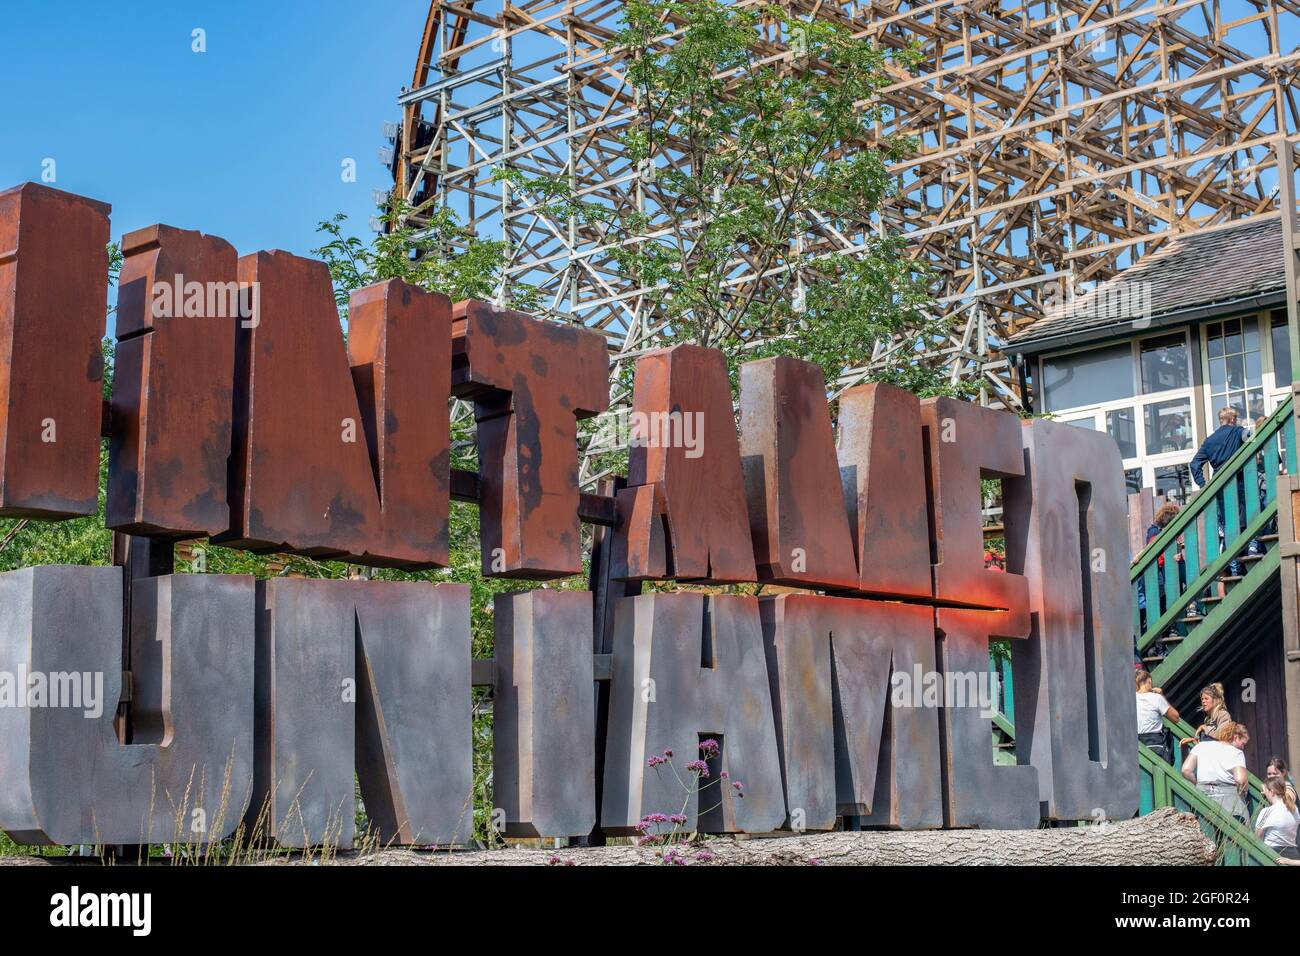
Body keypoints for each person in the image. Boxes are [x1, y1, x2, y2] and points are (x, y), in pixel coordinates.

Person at [1181, 722, 1250, 821]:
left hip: (1203, 795)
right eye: (1243, 743)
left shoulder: (1201, 746)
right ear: (1236, 737)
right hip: (1228, 798)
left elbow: (1186, 770)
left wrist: (1198, 784)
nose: (1243, 747)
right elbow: (1240, 780)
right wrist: (1245, 791)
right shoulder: (1236, 753)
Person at [1190, 407, 1248, 488]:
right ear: (1232, 419)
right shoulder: (1238, 431)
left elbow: (1194, 464)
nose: (1236, 421)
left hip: (1218, 486)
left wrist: (1202, 485)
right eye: (1236, 419)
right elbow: (1255, 437)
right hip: (1239, 483)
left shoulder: (1208, 441)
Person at [1135, 670, 1179, 763]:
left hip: (1137, 745)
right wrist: (1161, 695)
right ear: (1149, 681)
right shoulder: (1156, 698)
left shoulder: (1131, 698)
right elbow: (1175, 718)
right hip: (1156, 745)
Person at [1255, 778, 1300, 861]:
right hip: (1293, 854)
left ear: (1271, 791)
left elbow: (1258, 837)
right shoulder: (1294, 809)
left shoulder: (1266, 812)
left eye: (1265, 791)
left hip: (1273, 854)